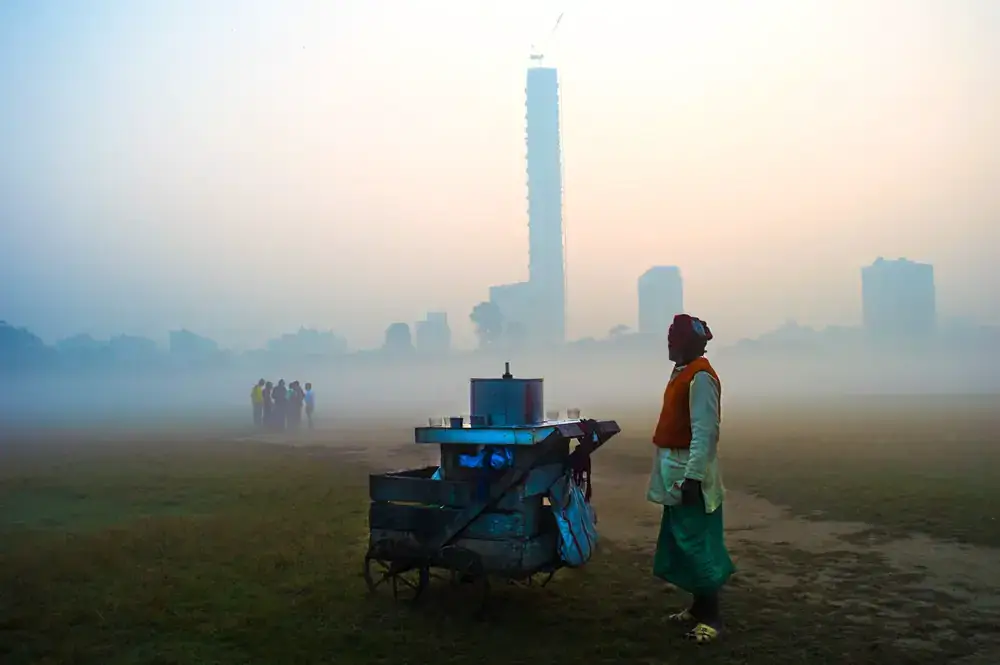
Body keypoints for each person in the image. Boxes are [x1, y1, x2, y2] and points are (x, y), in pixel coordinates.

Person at [647, 313, 734, 644]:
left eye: (676, 338)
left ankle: (712, 619)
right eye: (669, 336)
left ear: (693, 343)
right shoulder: (682, 373)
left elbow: (705, 432)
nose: (670, 343)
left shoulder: (701, 378)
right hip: (675, 473)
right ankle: (698, 609)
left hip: (689, 474)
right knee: (684, 541)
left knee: (697, 545)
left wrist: (693, 479)